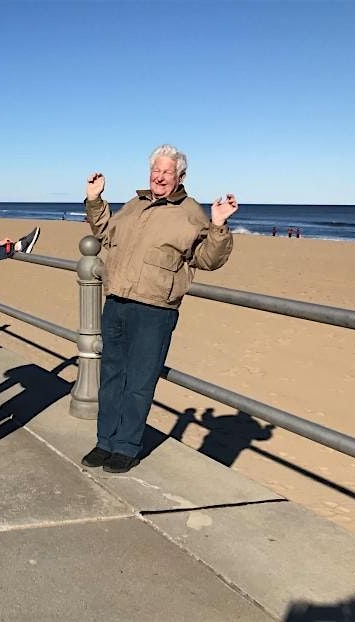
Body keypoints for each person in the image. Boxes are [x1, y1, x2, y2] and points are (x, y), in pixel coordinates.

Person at [80, 144, 238, 473]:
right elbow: (106, 233)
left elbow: (208, 259)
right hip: (117, 300)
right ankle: (104, 441)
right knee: (110, 377)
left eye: (167, 171)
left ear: (180, 176)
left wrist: (219, 225)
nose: (159, 176)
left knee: (139, 381)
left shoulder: (191, 212)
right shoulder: (135, 205)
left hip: (155, 309)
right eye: (156, 170)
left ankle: (125, 446)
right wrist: (95, 200)